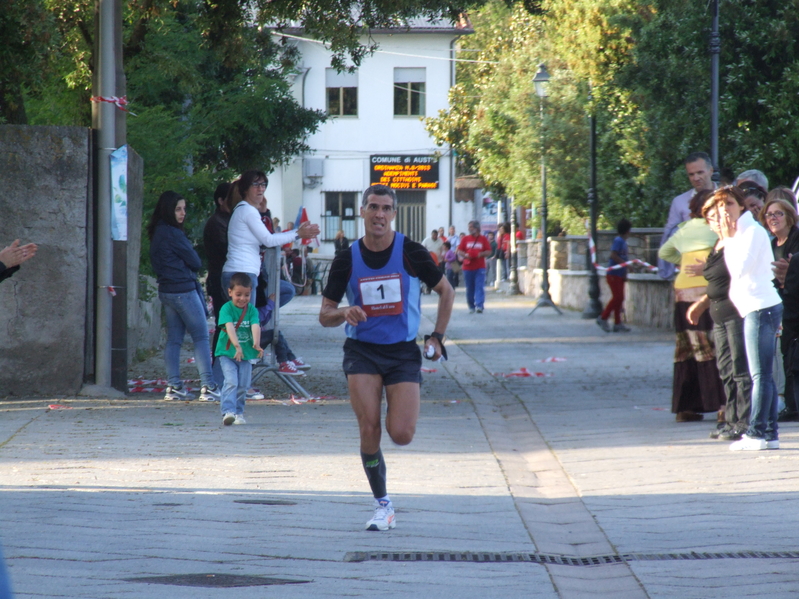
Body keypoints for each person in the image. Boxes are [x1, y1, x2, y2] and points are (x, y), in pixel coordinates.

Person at [319, 184, 454, 531]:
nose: (379, 214)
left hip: (402, 353)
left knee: (402, 433)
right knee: (369, 428)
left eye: (386, 208)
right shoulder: (347, 258)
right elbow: (325, 314)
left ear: (393, 214)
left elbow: (446, 291)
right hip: (362, 351)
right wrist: (344, 312)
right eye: (373, 207)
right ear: (362, 211)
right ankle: (382, 504)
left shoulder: (410, 251)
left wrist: (437, 337)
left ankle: (384, 497)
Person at [713, 187, 783, 450]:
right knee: (764, 374)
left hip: (761, 308)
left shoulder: (750, 232)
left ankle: (755, 433)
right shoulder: (743, 233)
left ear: (740, 206)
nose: (725, 211)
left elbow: (740, 270)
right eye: (720, 206)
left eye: (729, 204)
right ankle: (770, 433)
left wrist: (728, 239)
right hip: (756, 307)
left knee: (760, 375)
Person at [687, 197, 752, 441]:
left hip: (735, 312)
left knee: (739, 368)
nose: (715, 221)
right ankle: (730, 419)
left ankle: (743, 422)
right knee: (725, 368)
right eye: (710, 218)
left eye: (718, 215)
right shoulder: (718, 244)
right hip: (718, 314)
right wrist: (701, 304)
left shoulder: (736, 242)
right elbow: (715, 282)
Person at [658, 192, 725, 422]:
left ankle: (685, 407)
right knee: (711, 346)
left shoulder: (684, 229)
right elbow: (725, 258)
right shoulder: (715, 230)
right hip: (705, 291)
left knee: (685, 348)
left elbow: (664, 253)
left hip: (681, 291)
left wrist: (683, 262)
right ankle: (721, 405)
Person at [148, 191, 220, 402]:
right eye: (178, 209)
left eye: (184, 209)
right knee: (201, 337)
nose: (183, 213)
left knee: (174, 340)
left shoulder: (157, 233)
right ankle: (208, 386)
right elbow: (196, 262)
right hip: (184, 290)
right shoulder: (173, 233)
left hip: (167, 291)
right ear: (168, 210)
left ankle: (174, 386)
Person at [221, 170, 319, 301]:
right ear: (245, 189)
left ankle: (263, 315)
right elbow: (269, 240)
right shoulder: (247, 211)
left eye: (263, 185)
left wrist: (296, 232)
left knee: (245, 319)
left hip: (242, 272)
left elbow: (268, 236)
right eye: (255, 184)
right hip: (241, 273)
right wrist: (298, 233)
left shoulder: (245, 209)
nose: (260, 188)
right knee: (245, 321)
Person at [758, 195, 799, 422]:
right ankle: (792, 405)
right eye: (769, 214)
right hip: (779, 303)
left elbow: (790, 272)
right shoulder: (771, 244)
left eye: (778, 213)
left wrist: (787, 276)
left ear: (789, 217)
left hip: (794, 303)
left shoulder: (796, 239)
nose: (773, 218)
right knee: (786, 353)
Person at [658, 152, 715, 280]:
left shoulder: (727, 197)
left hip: (723, 271)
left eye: (700, 172)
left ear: (710, 171)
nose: (696, 178)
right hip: (693, 274)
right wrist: (685, 261)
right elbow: (669, 235)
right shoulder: (679, 202)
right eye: (691, 174)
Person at [215, 273, 262, 425]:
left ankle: (239, 412)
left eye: (247, 295)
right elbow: (229, 327)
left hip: (246, 354)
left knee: (243, 385)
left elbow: (255, 325)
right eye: (238, 294)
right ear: (230, 292)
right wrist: (237, 347)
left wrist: (256, 343)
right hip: (228, 353)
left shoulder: (252, 310)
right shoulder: (226, 309)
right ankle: (228, 411)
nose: (242, 298)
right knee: (231, 381)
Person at [203, 181, 233, 390]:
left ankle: (219, 375)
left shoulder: (229, 220)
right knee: (224, 327)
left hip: (225, 279)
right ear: (221, 201)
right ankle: (216, 377)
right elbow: (226, 250)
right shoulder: (217, 223)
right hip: (221, 280)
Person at [597, 219, 633, 333]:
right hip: (613, 274)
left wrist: (625, 272)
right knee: (617, 297)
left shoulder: (623, 242)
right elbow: (613, 255)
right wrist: (624, 265)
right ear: (627, 231)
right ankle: (603, 317)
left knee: (620, 298)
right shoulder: (618, 241)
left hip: (619, 274)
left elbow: (625, 259)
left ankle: (618, 323)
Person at [457, 220, 492, 314]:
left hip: (480, 267)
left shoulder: (483, 239)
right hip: (467, 268)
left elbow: (489, 251)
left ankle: (479, 305)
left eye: (471, 227)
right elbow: (459, 251)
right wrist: (465, 255)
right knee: (470, 287)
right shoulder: (465, 239)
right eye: (469, 227)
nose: (469, 229)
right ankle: (471, 306)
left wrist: (480, 254)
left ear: (476, 228)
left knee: (479, 286)